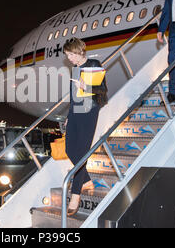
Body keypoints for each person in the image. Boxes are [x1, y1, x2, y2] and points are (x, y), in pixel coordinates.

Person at [63, 37, 108, 216]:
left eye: (72, 54)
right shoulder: (74, 69)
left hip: (89, 111)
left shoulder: (94, 64)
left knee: (81, 152)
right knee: (69, 149)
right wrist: (69, 115)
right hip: (75, 112)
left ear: (81, 51)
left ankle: (75, 195)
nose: (70, 59)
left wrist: (86, 86)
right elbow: (74, 95)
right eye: (67, 55)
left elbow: (103, 92)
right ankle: (86, 180)